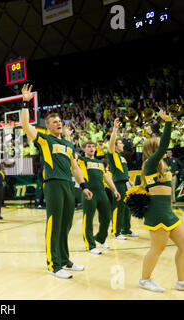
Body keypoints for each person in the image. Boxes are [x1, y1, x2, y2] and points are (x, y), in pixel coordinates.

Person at [21, 83, 93, 279]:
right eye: (54, 122)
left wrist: (84, 186)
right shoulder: (44, 139)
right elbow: (26, 125)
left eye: (60, 121)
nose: (58, 123)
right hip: (52, 184)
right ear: (48, 126)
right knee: (54, 223)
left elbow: (75, 167)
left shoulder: (68, 144)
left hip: (69, 185)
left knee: (66, 224)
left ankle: (64, 259)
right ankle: (53, 264)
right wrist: (25, 103)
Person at [138, 109, 184, 292]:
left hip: (168, 211)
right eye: (159, 146)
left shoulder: (162, 166)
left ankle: (181, 281)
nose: (165, 148)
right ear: (153, 149)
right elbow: (165, 144)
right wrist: (168, 123)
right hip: (157, 212)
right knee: (157, 249)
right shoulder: (149, 164)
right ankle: (144, 279)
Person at [77, 141, 121, 254]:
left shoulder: (100, 163)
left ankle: (100, 238)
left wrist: (115, 190)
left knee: (107, 217)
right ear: (84, 149)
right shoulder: (82, 160)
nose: (91, 148)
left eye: (93, 146)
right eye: (88, 146)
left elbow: (106, 177)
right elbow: (73, 159)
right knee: (88, 219)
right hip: (89, 192)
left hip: (102, 193)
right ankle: (90, 245)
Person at [108, 118, 137, 240]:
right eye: (121, 143)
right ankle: (116, 231)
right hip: (118, 184)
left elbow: (124, 171)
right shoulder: (112, 154)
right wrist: (115, 129)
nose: (123, 144)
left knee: (127, 208)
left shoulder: (122, 157)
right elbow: (111, 143)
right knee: (119, 208)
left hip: (125, 182)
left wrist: (129, 180)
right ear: (115, 145)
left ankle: (126, 229)